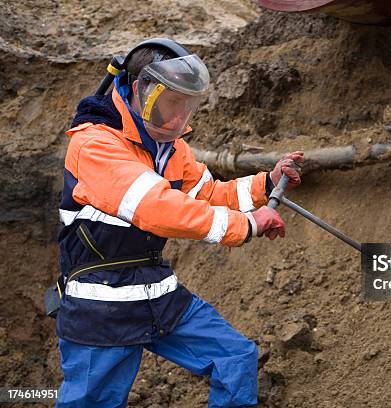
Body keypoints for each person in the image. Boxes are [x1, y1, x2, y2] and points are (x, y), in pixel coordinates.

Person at [55, 38, 304, 407]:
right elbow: (158, 207)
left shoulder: (171, 146)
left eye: (187, 106)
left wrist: (265, 182)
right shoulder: (95, 144)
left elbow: (209, 194)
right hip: (101, 306)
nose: (179, 118)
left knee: (235, 358)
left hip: (156, 292)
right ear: (141, 90)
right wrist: (247, 225)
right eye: (172, 104)